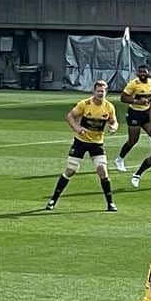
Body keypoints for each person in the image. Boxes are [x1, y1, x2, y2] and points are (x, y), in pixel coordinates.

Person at [45, 80, 118, 212]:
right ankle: (53, 200)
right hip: (81, 142)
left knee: (102, 170)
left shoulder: (109, 107)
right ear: (94, 91)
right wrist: (77, 128)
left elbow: (113, 121)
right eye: (98, 91)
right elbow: (70, 116)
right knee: (71, 170)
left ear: (106, 92)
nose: (101, 93)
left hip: (97, 143)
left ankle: (110, 203)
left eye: (103, 91)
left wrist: (113, 127)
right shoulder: (84, 104)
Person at [115, 63, 151, 173]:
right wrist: (137, 101)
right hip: (134, 113)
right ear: (137, 73)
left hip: (146, 113)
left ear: (149, 73)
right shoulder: (133, 84)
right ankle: (120, 159)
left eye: (144, 72)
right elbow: (123, 98)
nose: (142, 74)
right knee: (133, 140)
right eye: (140, 72)